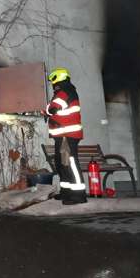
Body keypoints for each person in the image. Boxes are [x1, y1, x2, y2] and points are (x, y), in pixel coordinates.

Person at [46, 67, 87, 205]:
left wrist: (47, 110)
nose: (51, 83)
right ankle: (66, 192)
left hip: (67, 136)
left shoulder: (65, 91)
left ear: (58, 78)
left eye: (53, 79)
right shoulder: (64, 91)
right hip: (63, 136)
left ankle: (78, 195)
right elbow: (52, 108)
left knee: (70, 165)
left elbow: (53, 107)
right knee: (62, 165)